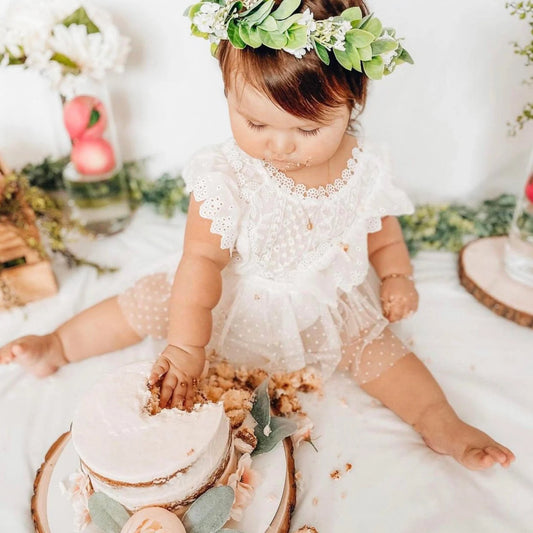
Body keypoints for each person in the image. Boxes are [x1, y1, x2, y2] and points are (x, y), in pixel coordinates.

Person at [0, 0, 515, 471]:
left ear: (352, 103)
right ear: (227, 93)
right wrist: (185, 347)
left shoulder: (364, 166)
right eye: (254, 122)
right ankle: (58, 346)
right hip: (229, 301)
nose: (280, 146)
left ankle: (439, 422)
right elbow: (201, 261)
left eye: (307, 130)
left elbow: (379, 228)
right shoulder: (230, 177)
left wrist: (397, 272)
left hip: (320, 305)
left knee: (380, 351)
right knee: (146, 301)